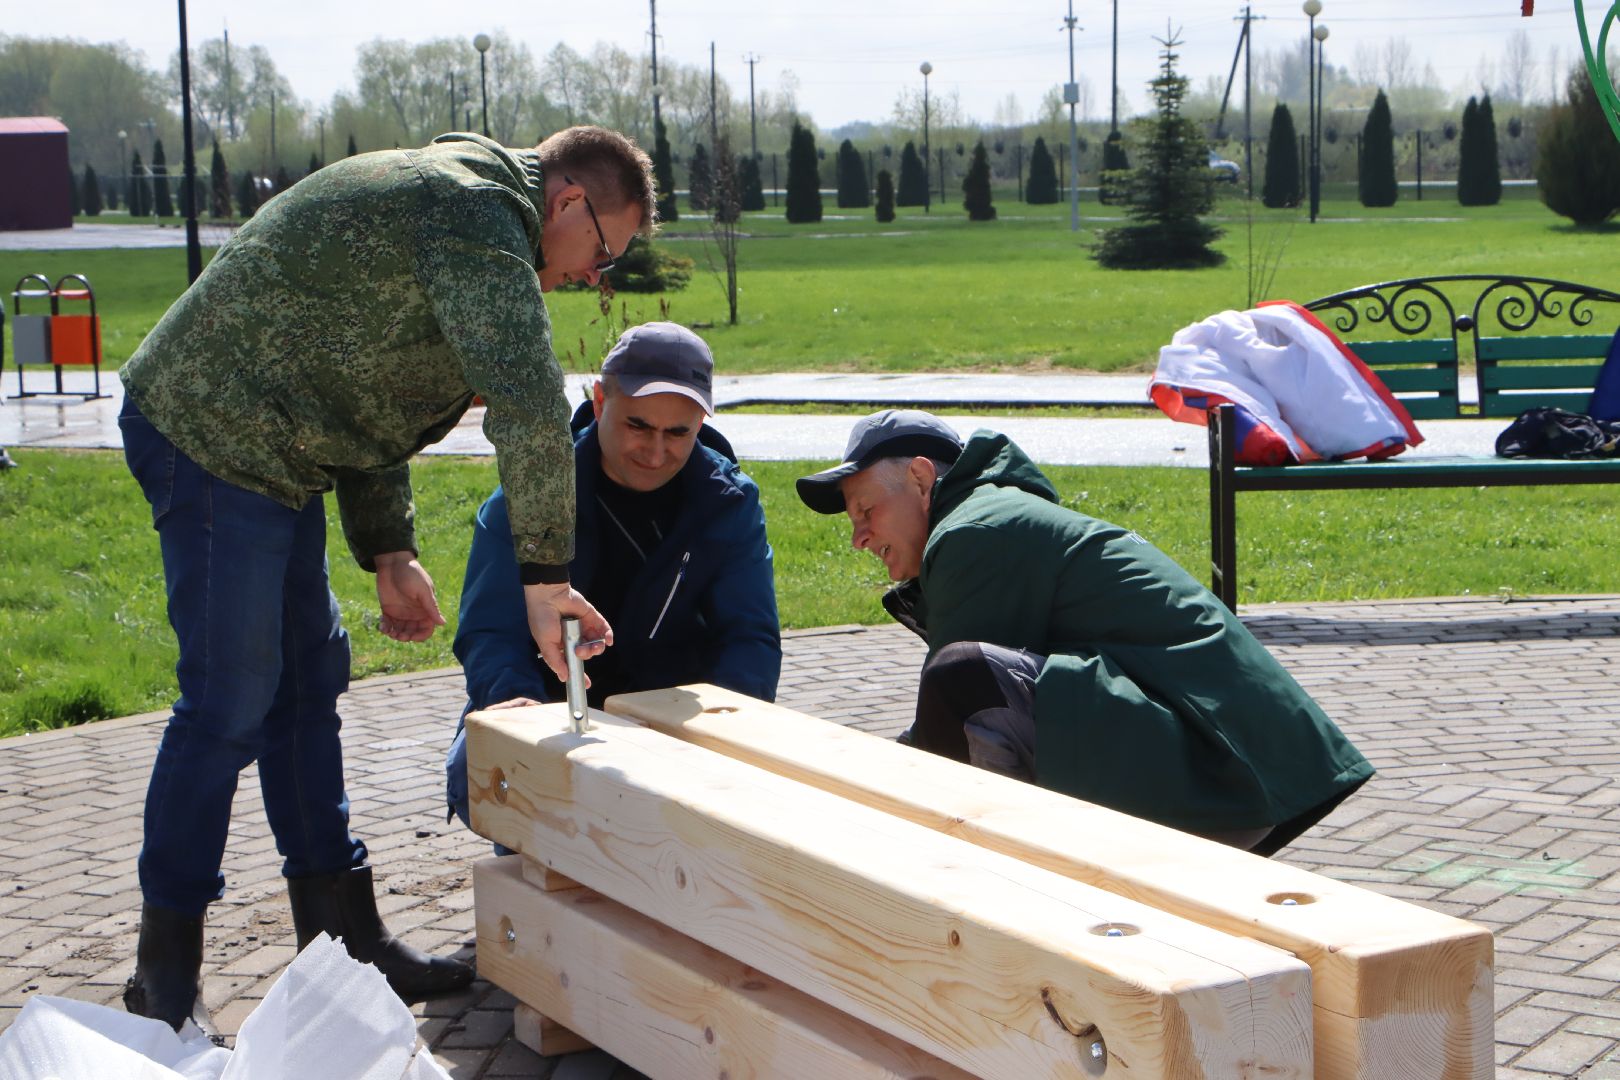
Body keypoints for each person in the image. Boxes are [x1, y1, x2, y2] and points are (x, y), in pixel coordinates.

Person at [116, 126, 656, 1039]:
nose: (594, 277)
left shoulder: (466, 208)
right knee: (229, 700)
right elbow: (528, 400)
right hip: (210, 428)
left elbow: (366, 378)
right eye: (604, 252)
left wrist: (387, 547)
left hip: (278, 442)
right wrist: (544, 579)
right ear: (568, 204)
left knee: (308, 683)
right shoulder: (477, 213)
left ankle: (343, 940)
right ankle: (161, 974)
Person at [797, 409, 1373, 856]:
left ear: (922, 479)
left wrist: (851, 812)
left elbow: (946, 729)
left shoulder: (975, 531)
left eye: (866, 510)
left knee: (965, 678)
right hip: (1241, 760)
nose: (859, 537)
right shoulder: (994, 515)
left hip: (1226, 768)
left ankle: (988, 899)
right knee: (977, 690)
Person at [446, 322, 781, 829]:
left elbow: (750, 638)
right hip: (554, 705)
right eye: (638, 426)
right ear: (600, 402)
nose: (655, 452)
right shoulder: (535, 492)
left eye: (678, 433)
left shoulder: (728, 502)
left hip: (670, 717)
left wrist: (720, 735)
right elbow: (490, 630)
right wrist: (517, 710)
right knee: (480, 769)